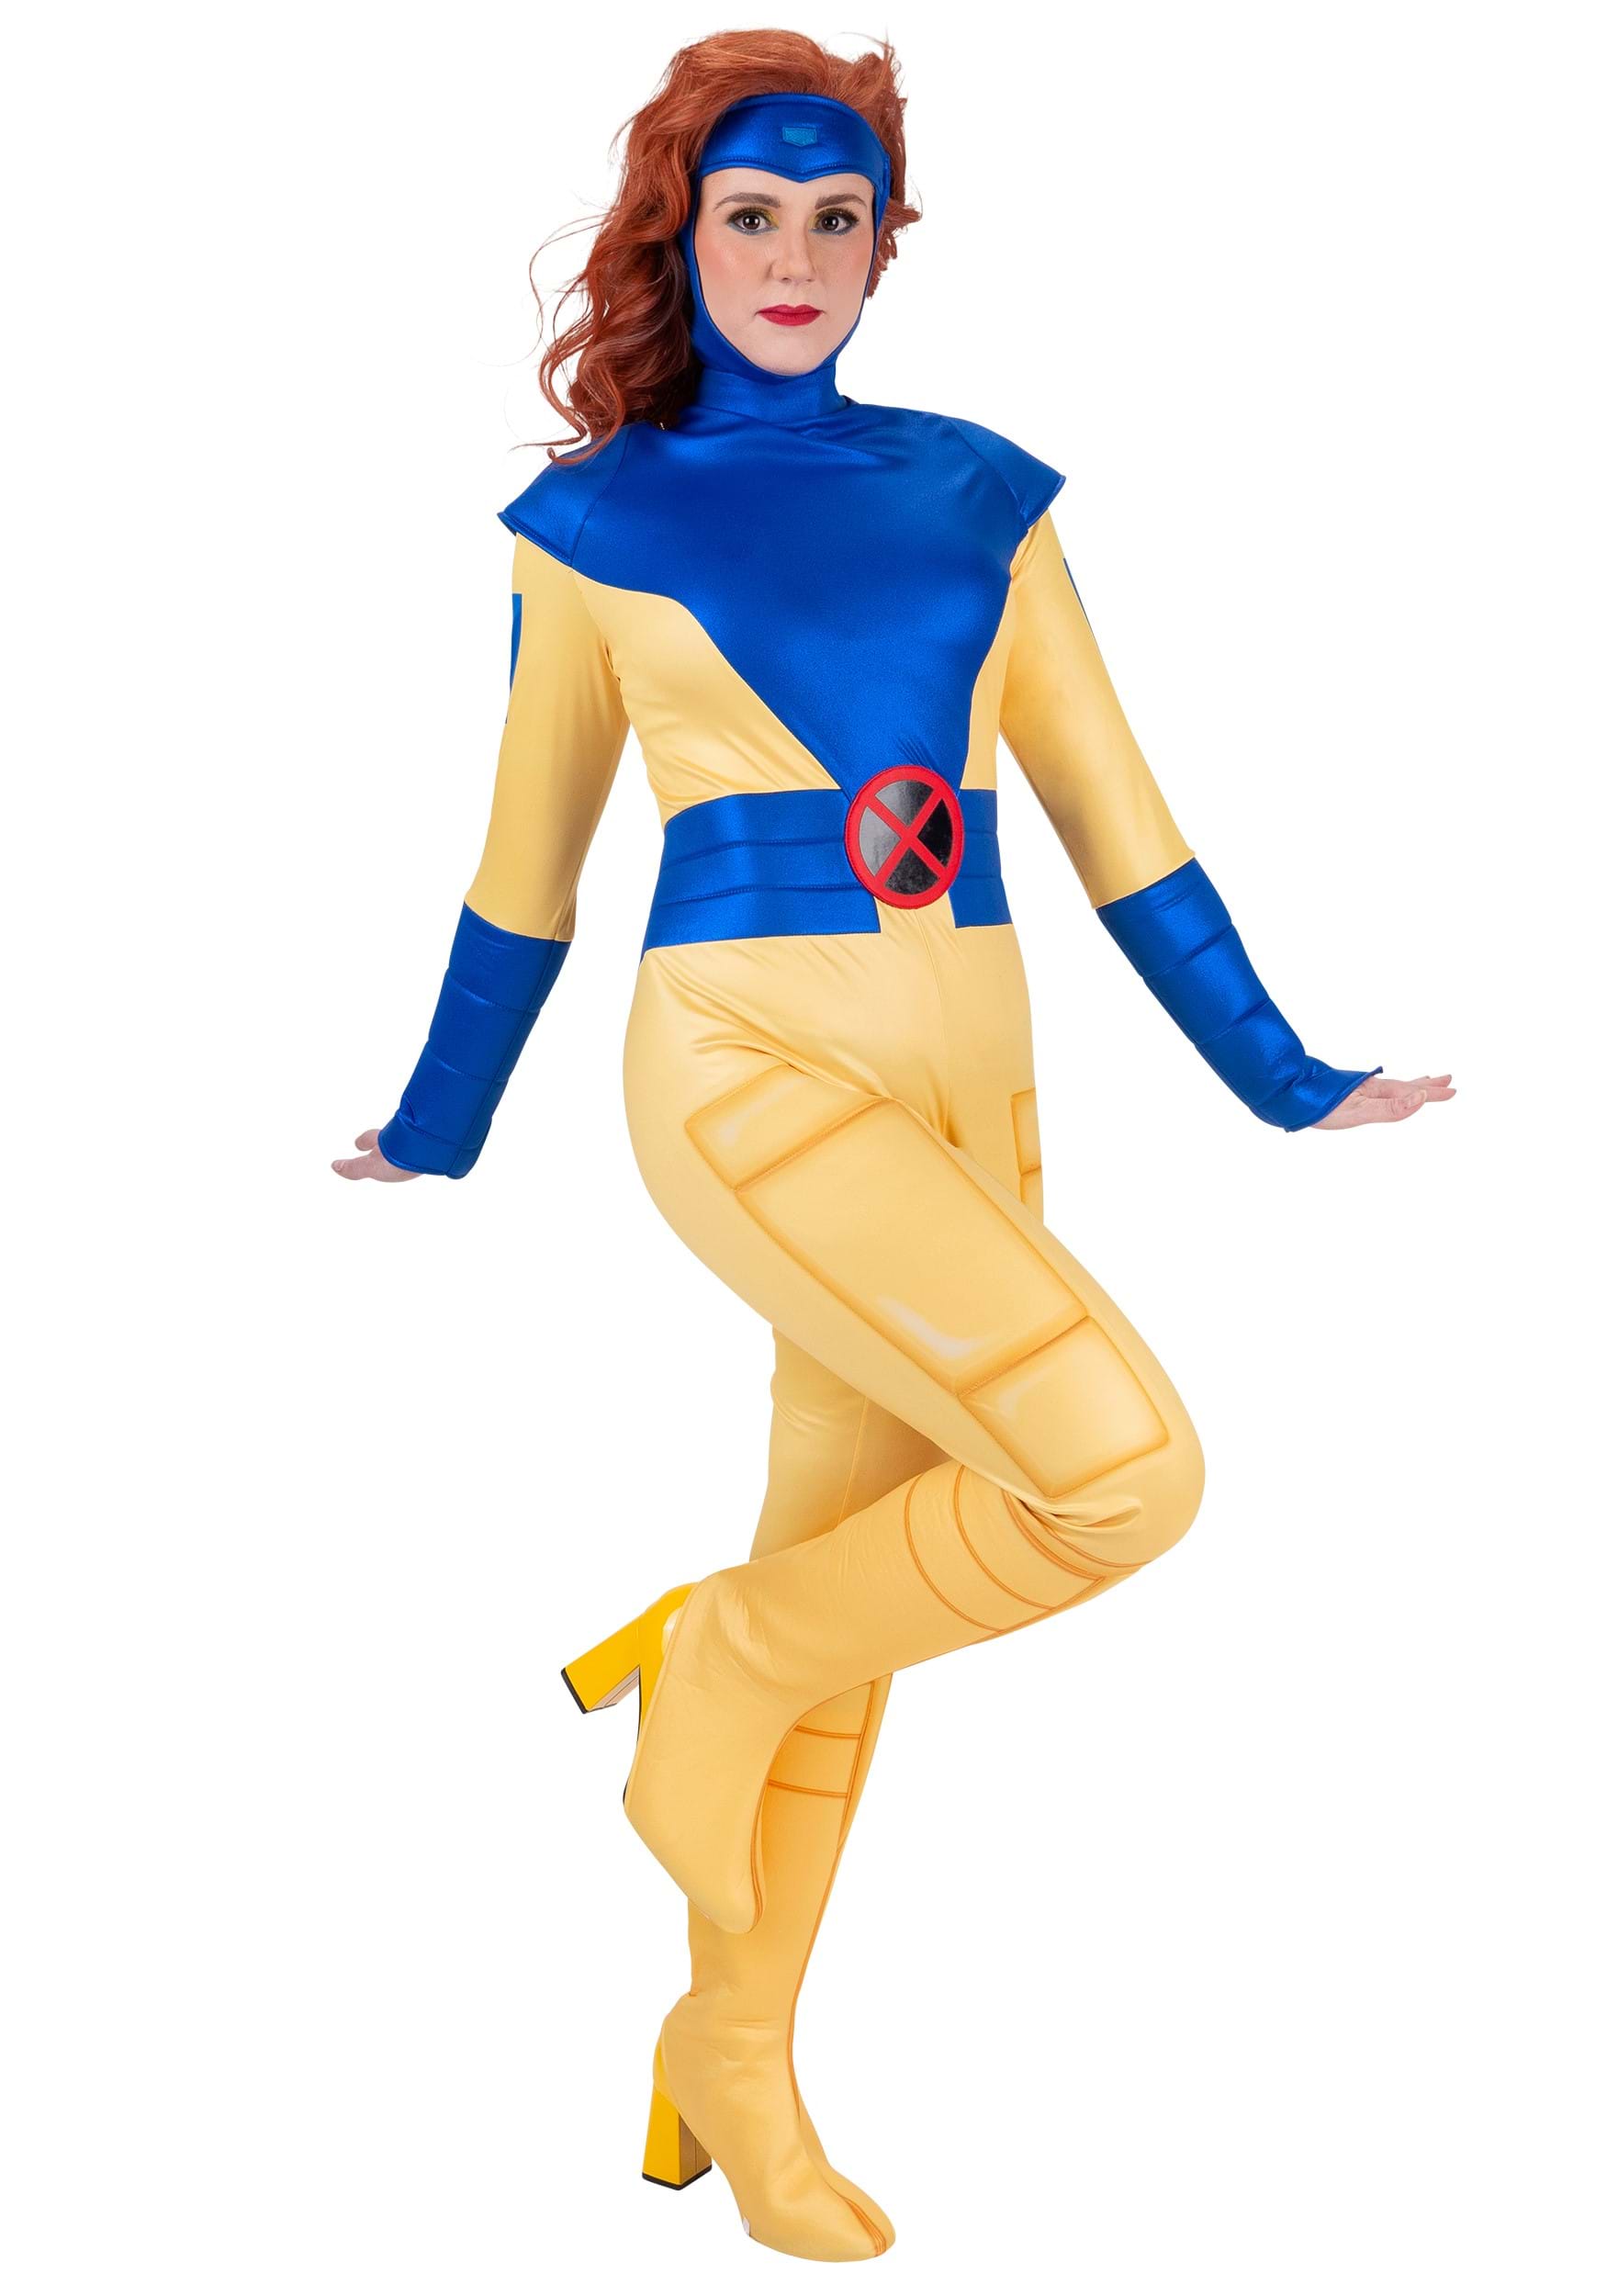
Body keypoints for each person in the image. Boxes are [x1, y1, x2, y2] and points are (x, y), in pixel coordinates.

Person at [333, 28, 1454, 2263]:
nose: (792, 257)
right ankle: (715, 1650)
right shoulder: (591, 528)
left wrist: (1280, 1071)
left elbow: (1121, 821)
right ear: (680, 236)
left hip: (976, 1067)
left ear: (881, 249)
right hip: (742, 1063)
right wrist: (439, 1120)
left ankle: (728, 2055)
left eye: (833, 219)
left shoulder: (980, 497)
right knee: (1116, 1474)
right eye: (748, 215)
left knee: (865, 1577)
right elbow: (524, 869)